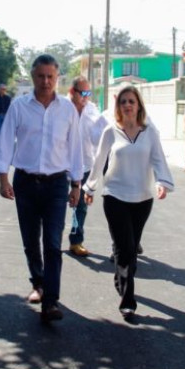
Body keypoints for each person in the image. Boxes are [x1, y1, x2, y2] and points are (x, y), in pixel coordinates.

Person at [0, 54, 83, 323]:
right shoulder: (20, 107)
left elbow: (75, 148)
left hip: (57, 184)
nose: (46, 81)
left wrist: (77, 184)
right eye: (41, 76)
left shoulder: (67, 110)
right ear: (33, 76)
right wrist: (2, 178)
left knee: (53, 244)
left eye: (50, 77)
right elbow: (6, 141)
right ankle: (38, 283)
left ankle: (51, 301)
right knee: (31, 241)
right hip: (26, 183)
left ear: (57, 78)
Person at [84, 86, 174, 318]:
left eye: (131, 101)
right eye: (123, 101)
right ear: (118, 106)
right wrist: (90, 187)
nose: (127, 105)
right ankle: (128, 300)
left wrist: (163, 182)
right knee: (125, 248)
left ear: (139, 105)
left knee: (131, 248)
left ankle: (121, 279)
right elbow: (99, 161)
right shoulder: (110, 132)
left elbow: (158, 160)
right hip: (115, 196)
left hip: (142, 198)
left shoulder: (149, 132)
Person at [66, 76, 101, 257]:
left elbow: (97, 139)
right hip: (61, 166)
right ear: (72, 92)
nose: (86, 96)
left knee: (80, 206)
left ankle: (76, 241)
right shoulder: (61, 108)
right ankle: (51, 240)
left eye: (89, 93)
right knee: (55, 205)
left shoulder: (92, 110)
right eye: (83, 92)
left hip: (85, 164)